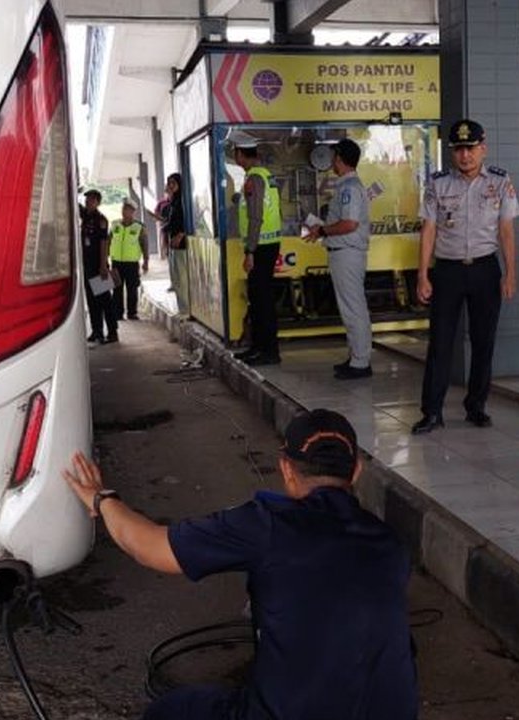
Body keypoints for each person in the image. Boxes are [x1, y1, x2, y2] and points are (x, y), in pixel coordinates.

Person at [61, 409, 418, 720]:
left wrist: (102, 498)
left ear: (286, 470)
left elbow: (149, 547)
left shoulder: (267, 524)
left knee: (170, 710)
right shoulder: (390, 543)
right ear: (355, 470)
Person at [411, 119, 519, 434]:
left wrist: (510, 273)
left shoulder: (500, 182)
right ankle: (432, 412)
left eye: (470, 148)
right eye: (458, 149)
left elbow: (506, 231)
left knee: (484, 341)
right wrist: (422, 275)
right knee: (441, 343)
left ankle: (476, 406)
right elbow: (428, 229)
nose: (465, 156)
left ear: (482, 148)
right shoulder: (438, 183)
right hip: (448, 270)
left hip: (485, 269)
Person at [306, 139, 374, 380]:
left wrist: (323, 230)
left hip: (347, 254)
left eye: (334, 157)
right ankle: (356, 355)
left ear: (340, 159)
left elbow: (349, 224)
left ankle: (361, 361)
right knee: (351, 307)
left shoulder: (350, 188)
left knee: (353, 308)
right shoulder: (347, 186)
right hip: (343, 253)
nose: (332, 161)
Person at [233, 140, 284, 366]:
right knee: (259, 298)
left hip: (261, 247)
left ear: (242, 155)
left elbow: (256, 216)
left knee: (261, 300)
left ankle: (268, 351)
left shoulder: (254, 178)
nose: (236, 159)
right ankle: (258, 348)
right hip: (268, 243)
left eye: (237, 154)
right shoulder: (266, 175)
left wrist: (249, 251)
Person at [80, 189, 117, 344]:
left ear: (98, 202)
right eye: (87, 199)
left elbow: (104, 243)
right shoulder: (86, 216)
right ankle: (97, 331)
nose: (88, 202)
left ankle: (112, 332)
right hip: (87, 264)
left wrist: (103, 265)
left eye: (92, 200)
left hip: (98, 264)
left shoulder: (101, 219)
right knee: (91, 300)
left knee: (104, 300)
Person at [110, 200, 149, 321]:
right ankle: (118, 313)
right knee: (117, 288)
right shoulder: (115, 225)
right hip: (116, 262)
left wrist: (146, 261)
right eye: (123, 209)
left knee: (132, 288)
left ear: (133, 212)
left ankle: (132, 313)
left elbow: (145, 244)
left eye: (127, 209)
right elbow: (108, 241)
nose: (124, 211)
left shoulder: (139, 227)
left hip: (132, 263)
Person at [162, 173, 189, 315]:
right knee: (177, 278)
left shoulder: (183, 201)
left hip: (181, 243)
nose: (170, 186)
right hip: (173, 243)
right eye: (169, 183)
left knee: (182, 278)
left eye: (173, 183)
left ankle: (185, 309)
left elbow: (187, 220)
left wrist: (180, 235)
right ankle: (182, 309)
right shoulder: (172, 202)